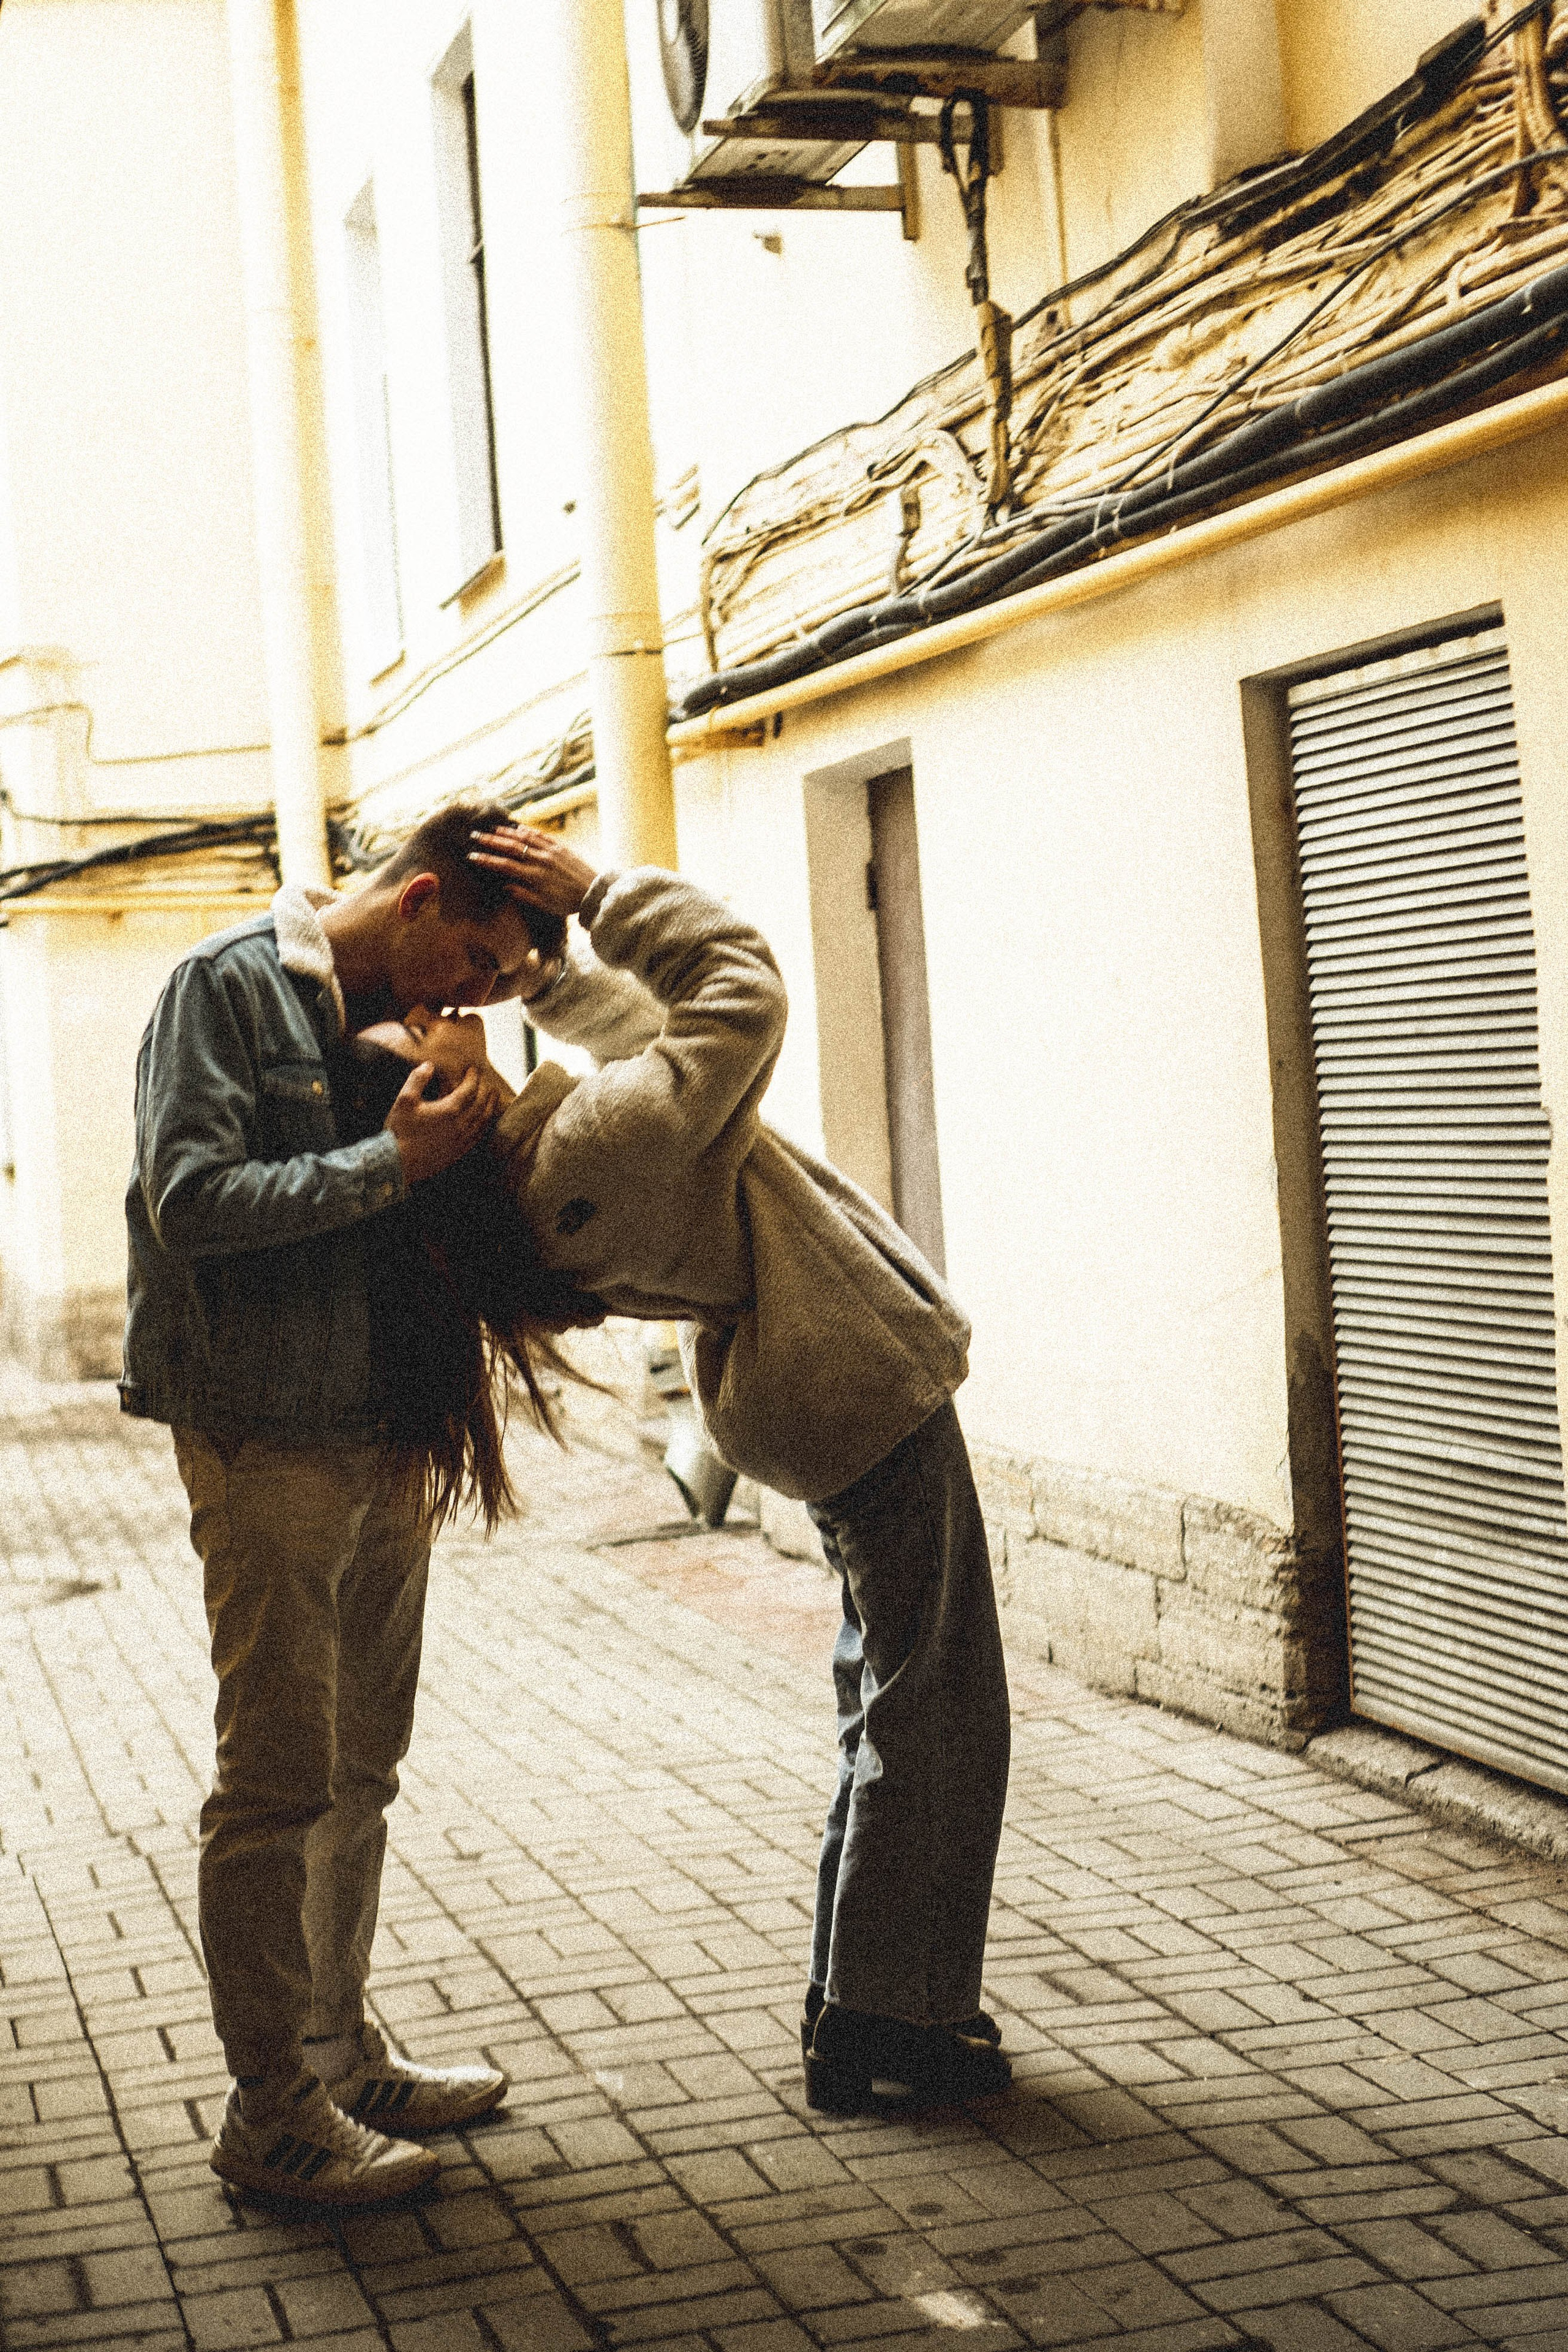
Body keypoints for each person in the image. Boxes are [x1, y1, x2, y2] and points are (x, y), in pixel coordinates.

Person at [401, 822, 1012, 2116]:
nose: (445, 1010)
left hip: (815, 1389)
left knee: (890, 1694)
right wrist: (602, 898)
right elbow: (737, 993)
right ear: (440, 1106)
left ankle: (866, 1994)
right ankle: (887, 2020)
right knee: (934, 1706)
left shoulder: (546, 1172)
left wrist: (550, 981)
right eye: (419, 1032)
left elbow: (639, 1055)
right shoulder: (578, 1156)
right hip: (849, 1383)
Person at [121, 802, 568, 2207]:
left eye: (498, 991)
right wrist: (394, 1162)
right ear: (421, 897)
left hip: (384, 1431)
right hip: (266, 1432)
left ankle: (336, 2047)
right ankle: (268, 2115)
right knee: (275, 1781)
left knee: (362, 1763)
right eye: (476, 966)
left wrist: (467, 1118)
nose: (474, 999)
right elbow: (189, 1200)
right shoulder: (223, 988)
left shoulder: (404, 1028)